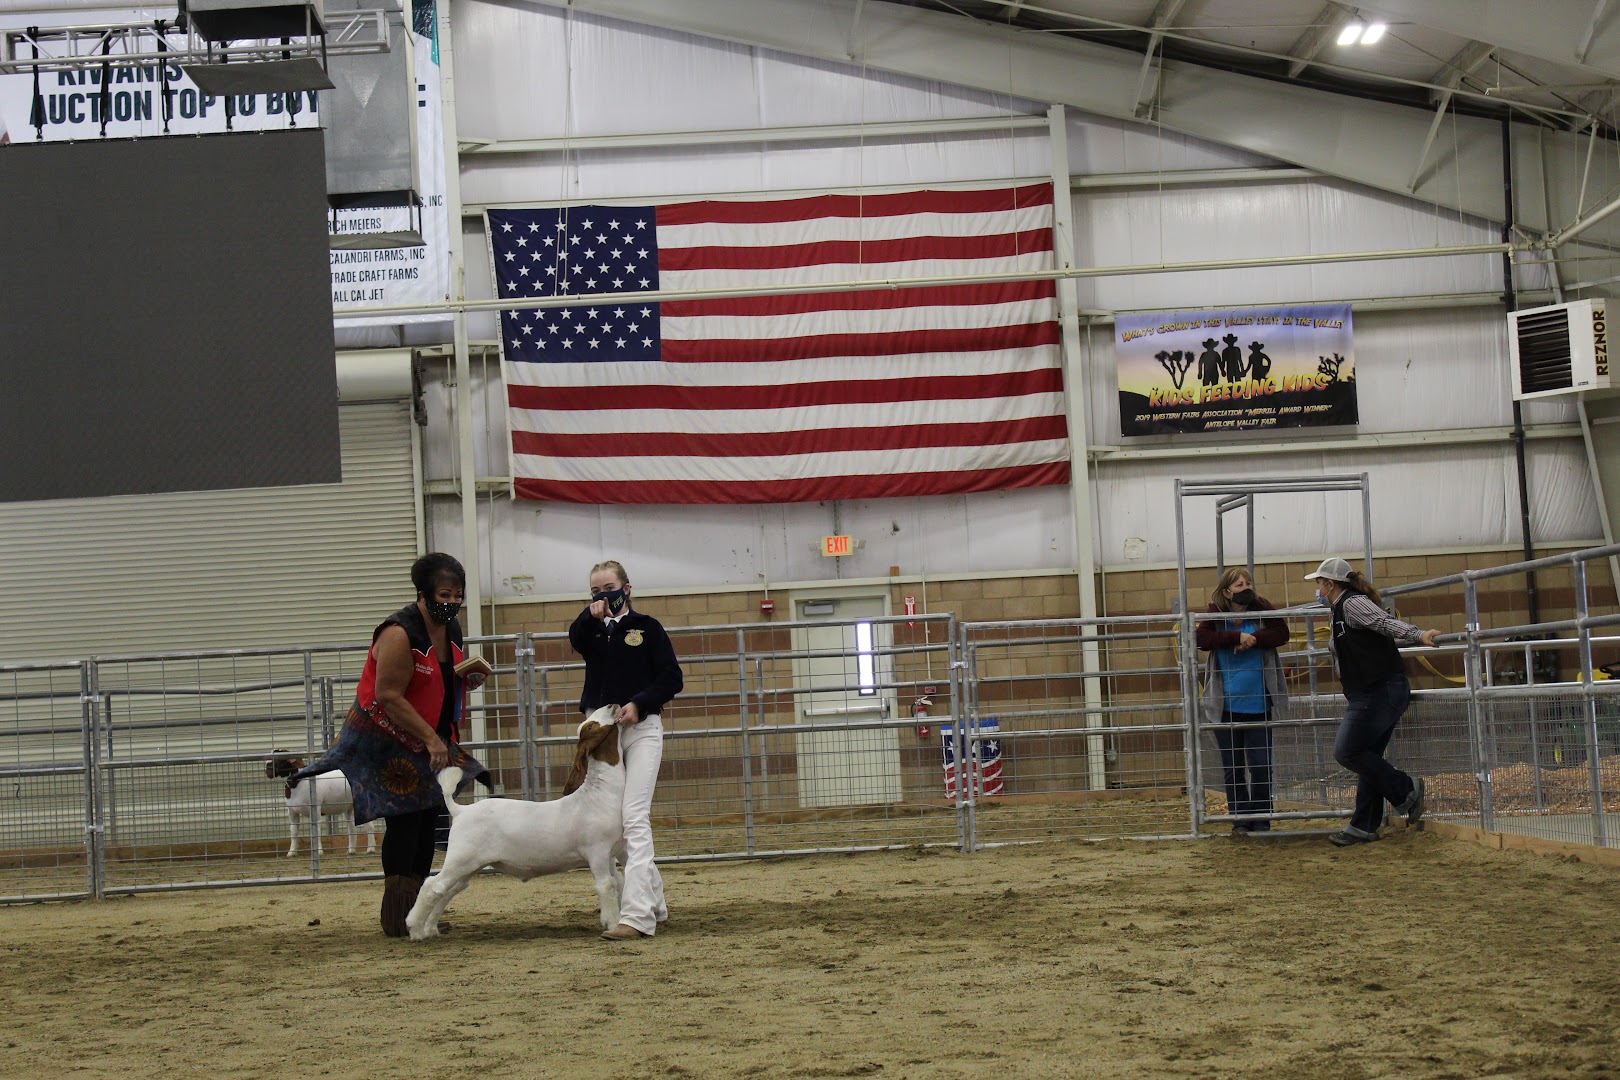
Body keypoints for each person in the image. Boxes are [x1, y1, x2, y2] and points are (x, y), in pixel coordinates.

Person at [291, 553, 490, 935]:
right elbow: (388, 695)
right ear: (423, 593)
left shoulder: (451, 630)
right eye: (444, 593)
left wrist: (465, 682)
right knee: (405, 819)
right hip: (388, 737)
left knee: (429, 817)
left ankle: (419, 913)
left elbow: (438, 681)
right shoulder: (399, 633)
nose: (452, 602)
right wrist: (432, 740)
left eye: (458, 595)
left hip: (428, 736)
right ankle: (398, 917)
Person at [569, 559, 682, 941]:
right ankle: (656, 903)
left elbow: (671, 677)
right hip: (603, 733)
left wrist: (640, 702)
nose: (604, 596)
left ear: (627, 588)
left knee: (634, 816)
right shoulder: (592, 631)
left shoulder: (647, 629)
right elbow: (575, 639)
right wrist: (589, 616)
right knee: (615, 820)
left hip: (641, 730)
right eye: (596, 591)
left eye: (609, 588)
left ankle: (637, 916)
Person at [1305, 557, 1443, 847]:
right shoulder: (1339, 609)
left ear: (1331, 584)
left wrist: (1419, 634)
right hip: (1373, 690)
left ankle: (1407, 790)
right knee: (1367, 756)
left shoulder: (1351, 603)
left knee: (1348, 751)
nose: (1316, 589)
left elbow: (1384, 622)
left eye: (1319, 583)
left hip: (1378, 690)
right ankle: (1363, 826)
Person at [1196, 568, 1290, 834]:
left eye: (1248, 583)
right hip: (1225, 705)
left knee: (1260, 764)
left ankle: (1261, 818)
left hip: (1258, 703)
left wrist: (1253, 640)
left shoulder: (1260, 609)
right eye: (1239, 584)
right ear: (1227, 591)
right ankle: (1240, 819)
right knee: (1233, 766)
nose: (1245, 587)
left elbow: (1281, 632)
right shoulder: (1215, 615)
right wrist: (1235, 637)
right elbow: (1202, 639)